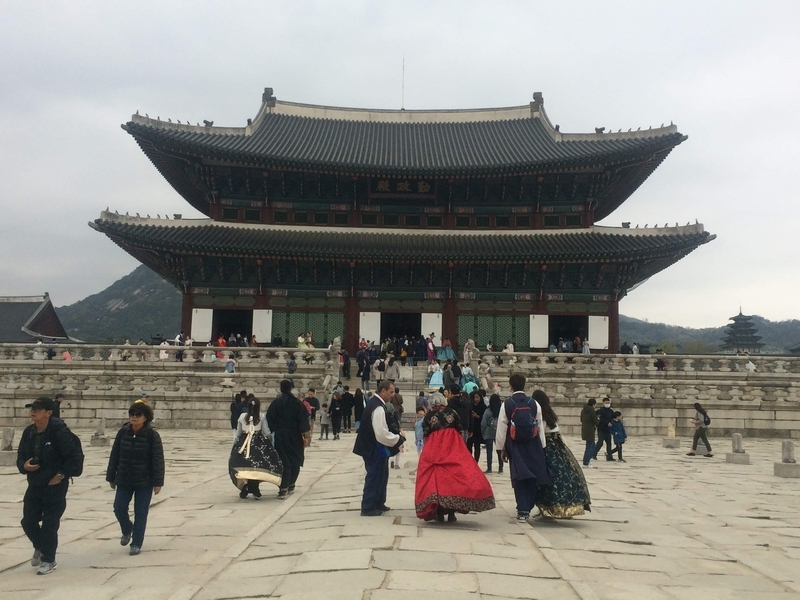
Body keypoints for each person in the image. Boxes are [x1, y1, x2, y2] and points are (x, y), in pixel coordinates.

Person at [17, 397, 83, 575]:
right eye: (32, 408)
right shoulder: (29, 432)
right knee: (28, 521)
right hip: (35, 483)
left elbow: (74, 458)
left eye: (37, 409)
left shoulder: (60, 433)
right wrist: (24, 466)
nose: (33, 411)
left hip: (55, 485)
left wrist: (60, 475)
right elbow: (21, 456)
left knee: (49, 524)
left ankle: (49, 560)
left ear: (48, 412)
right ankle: (41, 546)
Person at [414, 393, 495, 523]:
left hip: (435, 449)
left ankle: (439, 512)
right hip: (452, 447)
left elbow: (425, 434)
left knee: (437, 479)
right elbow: (460, 429)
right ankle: (451, 513)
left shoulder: (429, 416)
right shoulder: (452, 412)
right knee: (453, 478)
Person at [106, 400, 165, 555]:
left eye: (138, 415)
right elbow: (115, 455)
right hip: (124, 478)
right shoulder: (122, 433)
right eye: (132, 414)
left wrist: (158, 482)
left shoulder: (152, 436)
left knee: (141, 513)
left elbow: (158, 460)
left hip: (144, 481)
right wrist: (111, 476)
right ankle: (127, 529)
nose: (134, 417)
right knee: (119, 508)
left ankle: (136, 543)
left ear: (145, 418)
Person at [495, 374, 551, 522]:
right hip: (533, 444)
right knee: (532, 475)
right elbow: (540, 425)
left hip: (515, 445)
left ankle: (522, 509)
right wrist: (542, 446)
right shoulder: (534, 403)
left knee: (519, 475)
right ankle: (528, 506)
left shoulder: (507, 404)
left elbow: (502, 427)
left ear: (511, 386)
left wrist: (501, 448)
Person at [532, 390, 592, 519]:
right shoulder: (550, 414)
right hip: (557, 448)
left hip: (546, 448)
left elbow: (540, 434)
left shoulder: (539, 414)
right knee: (564, 477)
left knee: (547, 479)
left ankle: (547, 508)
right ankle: (565, 508)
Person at [352, 380, 405, 516]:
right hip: (373, 447)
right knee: (374, 476)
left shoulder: (377, 404)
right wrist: (398, 439)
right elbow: (381, 433)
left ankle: (379, 502)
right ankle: (368, 506)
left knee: (382, 475)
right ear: (383, 391)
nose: (392, 395)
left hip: (376, 447)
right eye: (391, 392)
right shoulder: (377, 407)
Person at [230, 396, 283, 499]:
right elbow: (267, 432)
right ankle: (254, 489)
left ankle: (245, 488)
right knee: (256, 466)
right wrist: (270, 441)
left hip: (243, 443)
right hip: (258, 443)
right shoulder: (261, 416)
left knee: (243, 465)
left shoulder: (242, 416)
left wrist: (235, 445)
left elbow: (238, 433)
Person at [266, 380, 311, 498]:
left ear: (281, 388)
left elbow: (269, 418)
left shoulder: (276, 402)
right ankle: (291, 484)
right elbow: (303, 419)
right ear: (291, 388)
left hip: (281, 435)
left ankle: (283, 487)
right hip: (296, 435)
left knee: (284, 460)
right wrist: (306, 436)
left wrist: (275, 429)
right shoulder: (297, 403)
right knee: (295, 459)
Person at [481, 393, 502, 474]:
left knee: (489, 451)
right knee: (499, 450)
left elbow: (483, 422)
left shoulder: (488, 411)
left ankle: (489, 467)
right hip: (498, 432)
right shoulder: (501, 411)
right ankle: (500, 467)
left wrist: (483, 431)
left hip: (488, 432)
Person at [468, 390, 485, 464]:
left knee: (477, 446)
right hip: (471, 428)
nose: (476, 399)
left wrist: (477, 416)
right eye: (475, 398)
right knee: (469, 446)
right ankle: (470, 461)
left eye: (477, 397)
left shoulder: (483, 407)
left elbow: (484, 419)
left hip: (478, 428)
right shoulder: (470, 406)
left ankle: (476, 462)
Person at [580, 399, 598, 467]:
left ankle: (588, 459)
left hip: (585, 429)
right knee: (589, 446)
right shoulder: (592, 411)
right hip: (590, 430)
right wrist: (598, 420)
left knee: (592, 445)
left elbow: (581, 419)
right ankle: (586, 461)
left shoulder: (583, 410)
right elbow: (595, 421)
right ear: (593, 404)